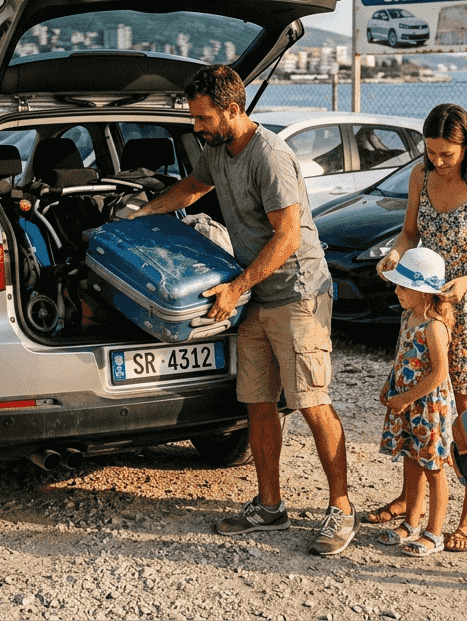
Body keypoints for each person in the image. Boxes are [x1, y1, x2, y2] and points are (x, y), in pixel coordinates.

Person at [126, 64, 357, 557]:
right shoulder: (217, 149)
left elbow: (288, 236)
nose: (197, 126)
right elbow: (192, 188)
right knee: (256, 401)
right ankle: (270, 505)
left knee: (311, 402)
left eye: (204, 117)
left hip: (296, 292)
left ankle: (341, 507)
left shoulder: (269, 156)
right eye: (194, 117)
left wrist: (235, 287)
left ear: (233, 109)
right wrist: (141, 216)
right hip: (255, 295)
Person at [372, 103, 467, 552]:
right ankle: (410, 503)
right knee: (418, 401)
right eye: (431, 152)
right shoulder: (420, 176)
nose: (436, 160)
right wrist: (395, 254)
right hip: (424, 301)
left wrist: (466, 281)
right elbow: (410, 233)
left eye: (445, 154)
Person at [374, 247, 458, 558]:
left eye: (402, 286)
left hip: (427, 408)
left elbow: (438, 374)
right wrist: (390, 387)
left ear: (422, 292)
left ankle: (434, 533)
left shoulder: (434, 327)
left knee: (433, 469)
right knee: (411, 461)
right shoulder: (409, 316)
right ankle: (410, 522)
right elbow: (401, 358)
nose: (396, 290)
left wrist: (407, 397)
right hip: (406, 405)